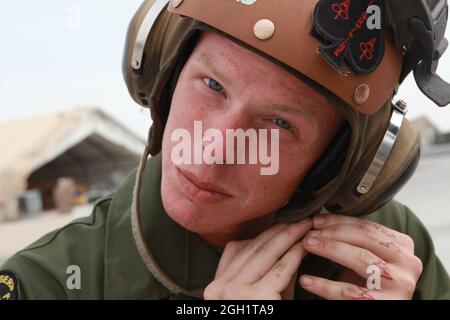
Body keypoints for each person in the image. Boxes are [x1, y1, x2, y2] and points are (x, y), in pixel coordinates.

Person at [1, 0, 450, 300]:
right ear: (165, 76)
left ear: (339, 165)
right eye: (213, 85)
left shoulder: (388, 257)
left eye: (279, 124)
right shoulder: (47, 282)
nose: (212, 150)